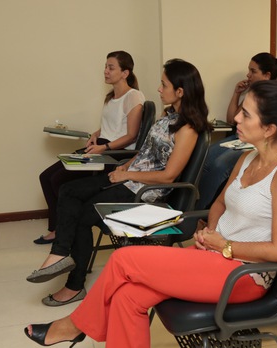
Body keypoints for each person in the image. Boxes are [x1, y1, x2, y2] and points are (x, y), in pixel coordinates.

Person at [23, 79, 277, 348]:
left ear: (269, 129)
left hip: (245, 276)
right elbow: (219, 205)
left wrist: (224, 246)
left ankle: (74, 326)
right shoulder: (247, 158)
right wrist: (210, 233)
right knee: (128, 297)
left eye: (246, 114)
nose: (236, 118)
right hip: (217, 259)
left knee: (123, 260)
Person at [26, 59, 209, 306]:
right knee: (68, 190)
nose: (158, 88)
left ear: (180, 91)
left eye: (164, 84)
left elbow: (168, 176)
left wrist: (128, 175)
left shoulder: (188, 129)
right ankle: (59, 254)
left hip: (144, 191)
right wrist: (127, 165)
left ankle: (74, 285)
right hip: (129, 178)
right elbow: (146, 152)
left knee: (82, 215)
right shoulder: (169, 116)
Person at [35, 51, 144, 244]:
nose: (106, 71)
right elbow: (112, 126)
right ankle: (57, 227)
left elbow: (131, 135)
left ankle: (64, 229)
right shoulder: (110, 97)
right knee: (46, 177)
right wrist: (96, 134)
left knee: (58, 180)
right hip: (101, 147)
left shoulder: (134, 96)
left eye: (111, 67)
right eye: (105, 67)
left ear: (125, 73)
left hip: (114, 154)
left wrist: (104, 147)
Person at [196, 52, 277, 209]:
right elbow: (232, 119)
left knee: (219, 165)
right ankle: (197, 203)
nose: (248, 75)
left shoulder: (276, 97)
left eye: (253, 71)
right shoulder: (253, 93)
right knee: (207, 154)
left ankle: (202, 209)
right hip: (239, 139)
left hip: (256, 143)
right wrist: (237, 94)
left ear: (267, 75)